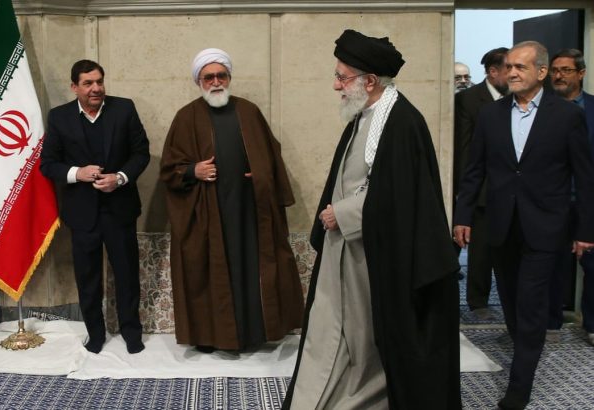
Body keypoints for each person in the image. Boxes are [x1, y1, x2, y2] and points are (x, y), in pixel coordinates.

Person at [283, 29, 461, 409]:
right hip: (348, 249)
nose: (336, 85)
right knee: (335, 329)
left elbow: (402, 196)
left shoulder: (403, 122)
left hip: (377, 257)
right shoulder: (365, 115)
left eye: (342, 77)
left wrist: (342, 213)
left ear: (370, 81)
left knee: (366, 335)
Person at [454, 41, 594, 409]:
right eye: (509, 67)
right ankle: (524, 347)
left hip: (546, 226)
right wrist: (463, 216)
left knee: (531, 304)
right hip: (501, 226)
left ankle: (518, 389)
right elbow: (474, 170)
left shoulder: (567, 116)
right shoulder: (491, 115)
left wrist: (585, 230)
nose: (512, 73)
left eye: (520, 67)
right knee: (513, 304)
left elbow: (584, 175)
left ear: (542, 72)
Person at [160, 48, 304, 353]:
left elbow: (272, 156)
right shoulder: (187, 117)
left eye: (221, 76)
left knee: (251, 271)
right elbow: (169, 170)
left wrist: (261, 173)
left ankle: (255, 333)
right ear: (199, 81)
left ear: (229, 77)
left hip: (249, 211)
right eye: (208, 77)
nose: (216, 82)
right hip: (208, 214)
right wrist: (193, 170)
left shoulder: (249, 112)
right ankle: (212, 337)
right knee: (210, 274)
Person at [41, 59, 150, 354]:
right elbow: (48, 164)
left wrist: (120, 177)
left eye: (99, 81)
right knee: (87, 278)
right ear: (74, 87)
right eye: (88, 83)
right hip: (82, 214)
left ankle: (132, 333)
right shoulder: (59, 117)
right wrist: (78, 173)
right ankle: (96, 335)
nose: (96, 88)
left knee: (127, 275)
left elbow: (141, 153)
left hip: (120, 209)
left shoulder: (124, 108)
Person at [454, 47, 509, 320]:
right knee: (481, 252)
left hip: (512, 189)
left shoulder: (518, 98)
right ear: (493, 72)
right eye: (509, 68)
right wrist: (466, 192)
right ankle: (478, 303)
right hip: (482, 189)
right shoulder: (469, 100)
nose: (514, 74)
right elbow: (464, 149)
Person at [548, 48, 594, 346]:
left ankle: (591, 324)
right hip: (553, 202)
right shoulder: (542, 108)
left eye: (565, 70)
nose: (559, 76)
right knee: (552, 264)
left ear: (581, 73)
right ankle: (550, 323)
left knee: (592, 265)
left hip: (589, 200)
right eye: (555, 70)